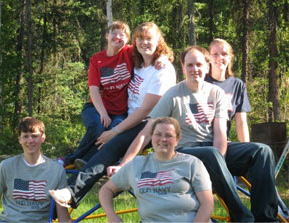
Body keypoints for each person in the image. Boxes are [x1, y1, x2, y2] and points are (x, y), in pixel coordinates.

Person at [107, 45, 279, 222]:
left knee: (262, 151)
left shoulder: (216, 92)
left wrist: (220, 165)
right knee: (211, 154)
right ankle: (241, 217)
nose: (194, 69)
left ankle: (266, 218)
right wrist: (124, 163)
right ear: (183, 68)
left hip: (214, 151)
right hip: (185, 152)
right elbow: (147, 132)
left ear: (206, 66)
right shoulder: (173, 95)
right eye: (189, 65)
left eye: (198, 64)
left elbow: (220, 133)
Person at [49, 22, 176, 210]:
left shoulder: (161, 70)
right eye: (140, 39)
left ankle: (72, 192)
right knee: (100, 136)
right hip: (127, 118)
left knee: (111, 144)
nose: (144, 43)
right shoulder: (137, 62)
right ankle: (74, 172)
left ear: (159, 41)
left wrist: (115, 131)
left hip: (149, 124)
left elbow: (144, 111)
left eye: (149, 39)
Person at [61, 21, 167, 168]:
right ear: (106, 36)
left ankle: (87, 161)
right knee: (97, 126)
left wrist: (163, 57)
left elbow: (153, 48)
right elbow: (93, 89)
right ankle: (70, 159)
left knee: (114, 135)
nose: (118, 37)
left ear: (128, 40)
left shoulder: (129, 53)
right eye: (114, 33)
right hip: (96, 107)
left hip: (119, 113)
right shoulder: (97, 59)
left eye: (122, 35)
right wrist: (103, 113)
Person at [206, 38, 288, 220]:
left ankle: (265, 218)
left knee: (262, 152)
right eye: (215, 54)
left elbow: (241, 123)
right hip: (203, 144)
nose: (220, 58)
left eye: (225, 54)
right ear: (208, 58)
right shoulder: (200, 81)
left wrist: (248, 155)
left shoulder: (237, 85)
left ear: (231, 58)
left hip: (225, 145)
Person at [99, 117, 214, 223]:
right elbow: (106, 189)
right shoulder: (136, 164)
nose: (163, 139)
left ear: (177, 140)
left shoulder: (192, 163)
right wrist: (112, 216)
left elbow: (207, 204)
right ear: (151, 137)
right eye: (158, 134)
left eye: (169, 136)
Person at [0, 117, 70, 223]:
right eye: (25, 136)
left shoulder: (56, 170)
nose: (30, 140)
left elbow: (62, 213)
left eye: (34, 136)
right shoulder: (6, 166)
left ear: (43, 138)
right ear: (19, 139)